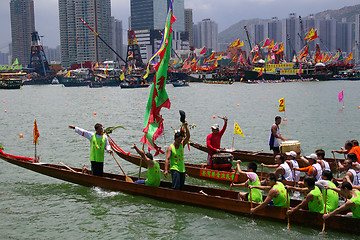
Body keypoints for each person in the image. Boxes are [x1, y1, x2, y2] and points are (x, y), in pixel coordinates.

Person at [164, 121, 190, 190]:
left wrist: (186, 127)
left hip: (182, 169)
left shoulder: (182, 144)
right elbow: (167, 159)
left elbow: (188, 136)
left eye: (181, 139)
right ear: (175, 139)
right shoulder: (170, 148)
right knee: (176, 186)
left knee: (181, 186)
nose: (180, 141)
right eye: (178, 139)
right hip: (174, 168)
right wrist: (166, 170)